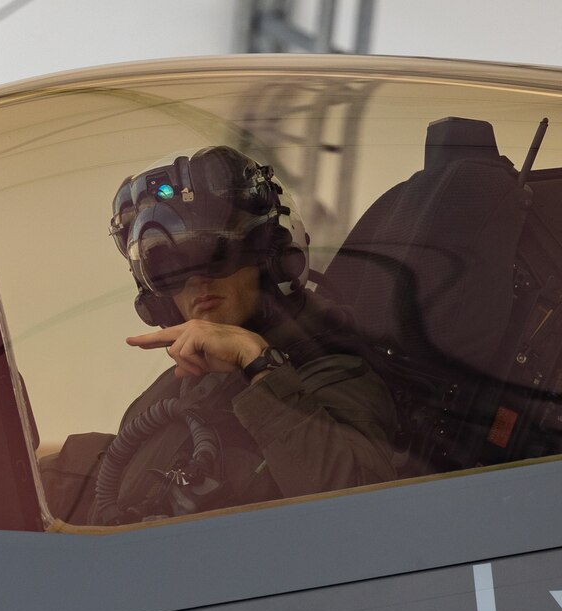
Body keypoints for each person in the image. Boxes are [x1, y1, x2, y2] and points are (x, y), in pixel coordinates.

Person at [44, 146, 398, 525]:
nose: (197, 282)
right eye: (168, 268)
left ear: (271, 257)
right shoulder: (175, 387)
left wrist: (258, 364)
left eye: (215, 254)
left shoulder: (334, 371)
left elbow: (363, 518)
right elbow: (113, 484)